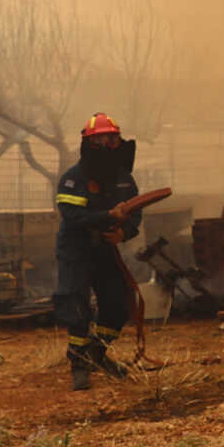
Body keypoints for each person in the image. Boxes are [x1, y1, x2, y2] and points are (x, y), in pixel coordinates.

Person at [54, 112, 142, 391]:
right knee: (76, 304)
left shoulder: (125, 180)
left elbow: (135, 215)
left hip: (106, 249)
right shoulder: (73, 179)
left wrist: (123, 233)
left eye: (113, 138)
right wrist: (108, 216)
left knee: (117, 305)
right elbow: (73, 217)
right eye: (102, 138)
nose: (109, 143)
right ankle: (79, 364)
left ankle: (96, 354)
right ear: (89, 143)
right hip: (76, 250)